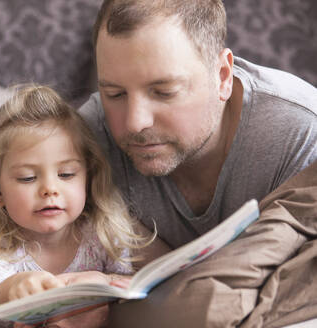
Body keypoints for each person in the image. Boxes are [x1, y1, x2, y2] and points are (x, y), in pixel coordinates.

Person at [77, 0, 317, 326]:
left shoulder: (299, 131)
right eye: (115, 94)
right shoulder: (85, 138)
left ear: (222, 77)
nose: (134, 123)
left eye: (163, 91)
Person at [0, 84, 169, 328]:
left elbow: (127, 282)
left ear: (87, 179)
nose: (50, 189)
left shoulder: (100, 231)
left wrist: (103, 281)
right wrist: (14, 287)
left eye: (67, 174)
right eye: (28, 178)